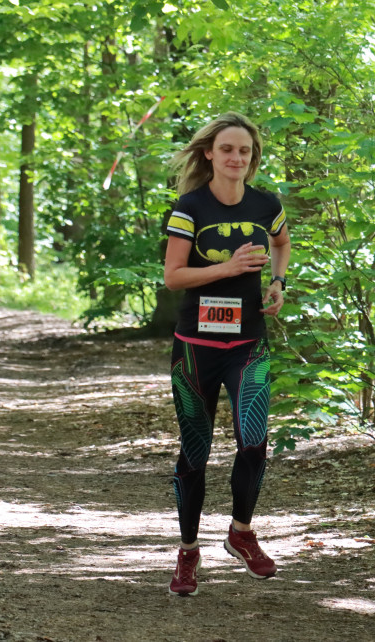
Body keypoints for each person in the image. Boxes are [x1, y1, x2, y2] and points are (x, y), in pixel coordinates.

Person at [162, 111, 291, 596]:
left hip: (248, 344)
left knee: (254, 441)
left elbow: (282, 242)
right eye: (228, 149)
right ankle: (188, 552)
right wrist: (229, 267)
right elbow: (174, 276)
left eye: (245, 151)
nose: (237, 158)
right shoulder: (189, 207)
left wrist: (277, 282)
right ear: (210, 155)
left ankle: (241, 534)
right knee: (195, 453)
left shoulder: (266, 203)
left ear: (252, 158)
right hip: (195, 347)